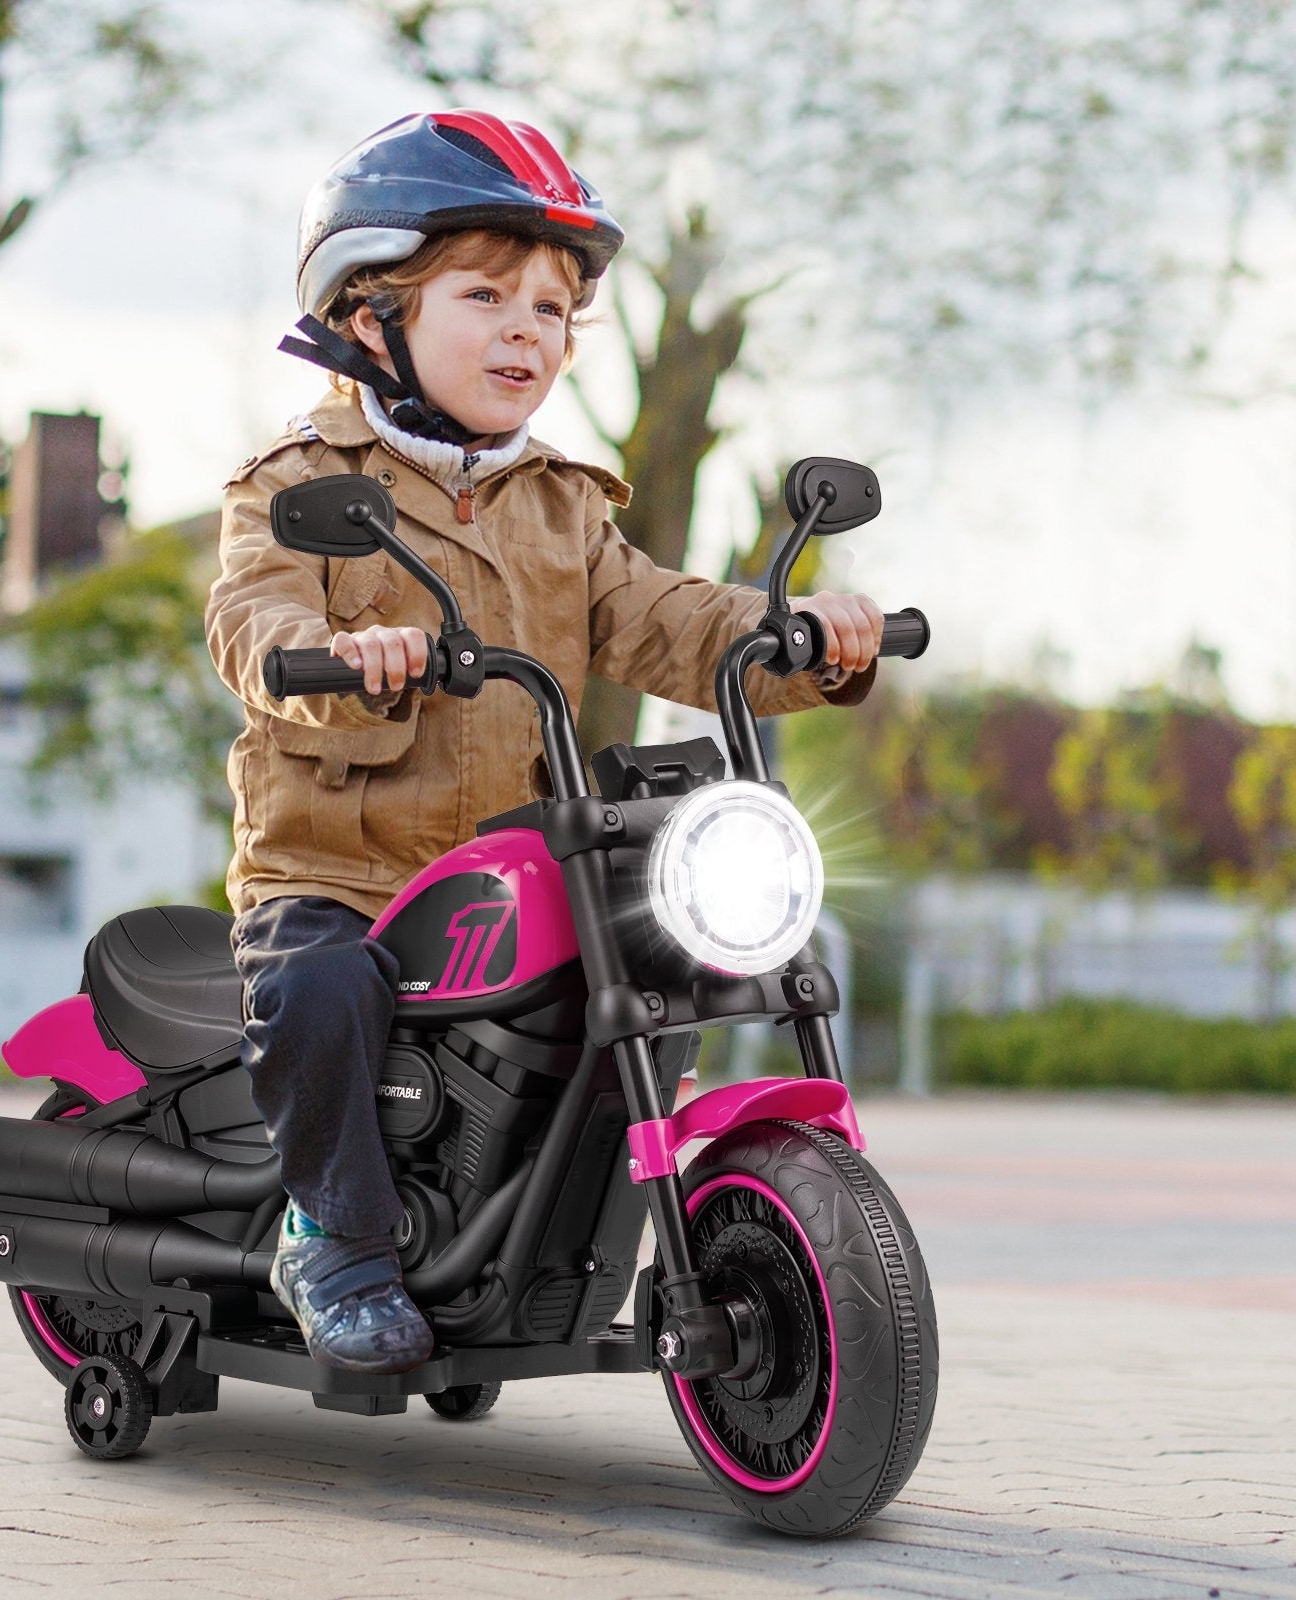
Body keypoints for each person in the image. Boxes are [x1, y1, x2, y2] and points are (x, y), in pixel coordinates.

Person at [205, 109, 884, 1375]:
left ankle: (561, 1234)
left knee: (658, 954)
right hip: (342, 875)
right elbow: (253, 609)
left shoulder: (561, 502)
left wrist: (799, 631)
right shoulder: (295, 480)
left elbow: (665, 616)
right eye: (486, 294)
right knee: (320, 985)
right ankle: (335, 1236)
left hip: (517, 869)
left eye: (556, 308)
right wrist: (335, 654)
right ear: (370, 313)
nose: (530, 328)